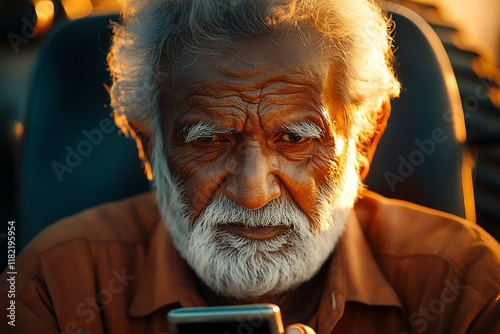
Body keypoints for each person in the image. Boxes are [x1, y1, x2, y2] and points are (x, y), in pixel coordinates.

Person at [1, 0, 500, 333]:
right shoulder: (49, 285)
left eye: (295, 139)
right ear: (148, 143)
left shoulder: (466, 287)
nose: (254, 192)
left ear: (365, 138)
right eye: (211, 140)